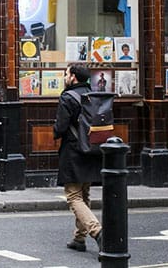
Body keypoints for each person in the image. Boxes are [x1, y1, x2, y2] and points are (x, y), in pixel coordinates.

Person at [53, 64, 102, 253]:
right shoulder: (93, 95)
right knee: (84, 194)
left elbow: (61, 126)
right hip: (91, 149)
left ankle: (97, 231)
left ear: (72, 77)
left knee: (73, 196)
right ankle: (79, 238)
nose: (65, 77)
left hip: (73, 150)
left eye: (66, 74)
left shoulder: (68, 97)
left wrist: (54, 132)